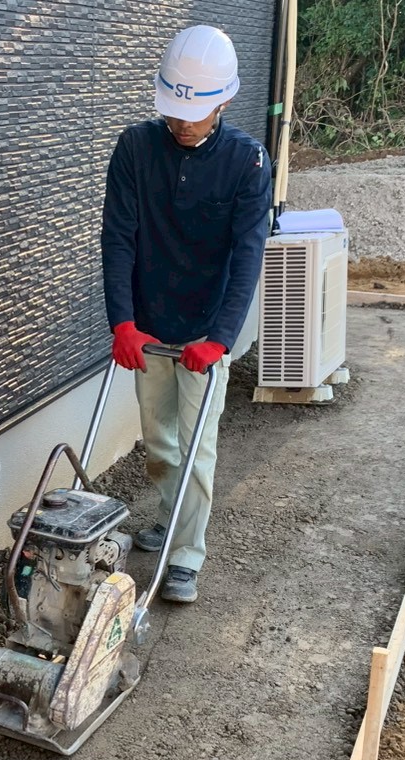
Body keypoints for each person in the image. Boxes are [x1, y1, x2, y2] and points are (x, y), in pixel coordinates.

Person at [101, 24, 272, 604]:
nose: (181, 123)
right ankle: (171, 517)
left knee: (198, 449)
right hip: (148, 325)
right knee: (159, 443)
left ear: (223, 102)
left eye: (194, 114)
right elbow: (118, 237)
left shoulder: (247, 162)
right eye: (173, 111)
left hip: (204, 332)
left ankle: (186, 556)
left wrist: (220, 338)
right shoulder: (136, 149)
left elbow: (248, 255)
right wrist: (122, 321)